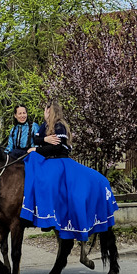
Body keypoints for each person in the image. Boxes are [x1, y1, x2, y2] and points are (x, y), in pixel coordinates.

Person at [20, 101, 117, 241]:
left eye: (45, 110)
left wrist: (38, 148)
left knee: (47, 181)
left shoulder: (60, 126)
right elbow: (35, 138)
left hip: (59, 160)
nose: (43, 113)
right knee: (33, 162)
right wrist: (45, 138)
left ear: (50, 111)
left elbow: (57, 148)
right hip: (48, 160)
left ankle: (49, 217)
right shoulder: (45, 126)